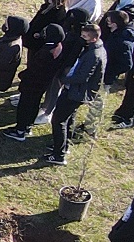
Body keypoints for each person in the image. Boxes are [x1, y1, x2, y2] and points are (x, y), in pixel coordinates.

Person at [43, 20, 104, 165]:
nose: (82, 38)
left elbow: (82, 77)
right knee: (69, 118)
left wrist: (64, 80)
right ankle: (64, 145)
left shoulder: (93, 54)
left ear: (94, 38)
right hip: (77, 91)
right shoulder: (95, 48)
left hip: (76, 92)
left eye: (85, 36)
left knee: (59, 120)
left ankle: (59, 155)